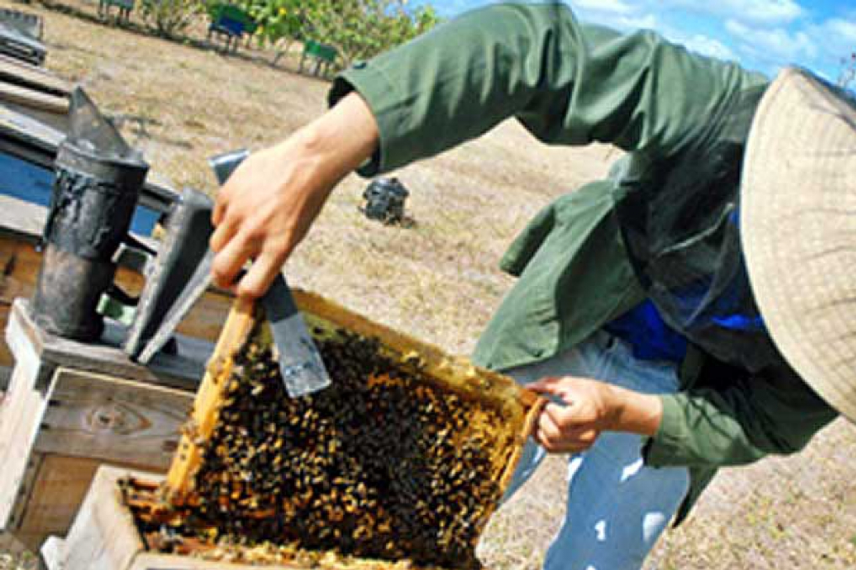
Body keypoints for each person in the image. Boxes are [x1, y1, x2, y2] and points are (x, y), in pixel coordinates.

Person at [208, 2, 855, 568]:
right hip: (575, 312)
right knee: (425, 495)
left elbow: (770, 420)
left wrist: (627, 412)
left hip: (684, 394)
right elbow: (532, 49)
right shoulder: (719, 109)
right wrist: (318, 154)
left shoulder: (842, 344)